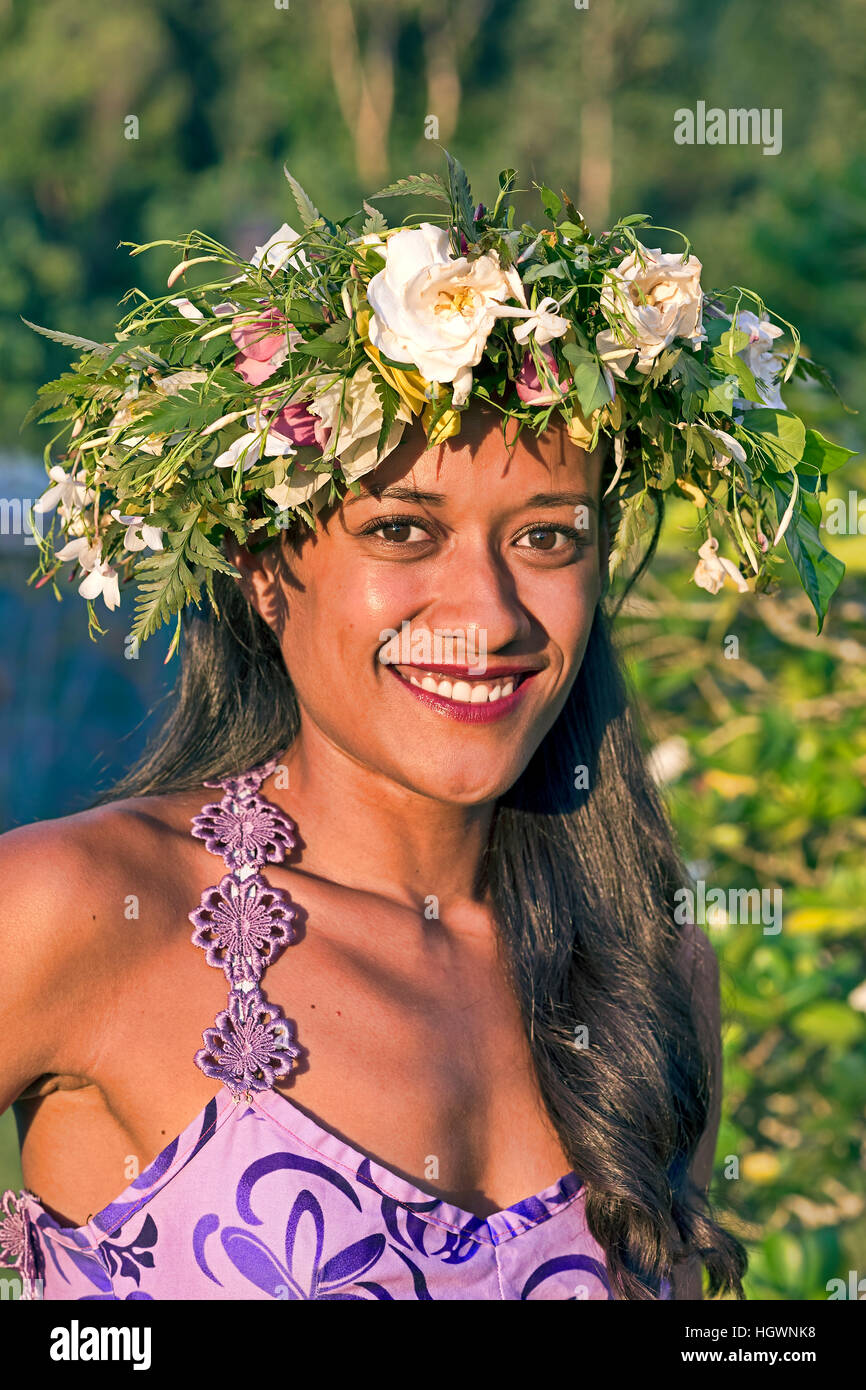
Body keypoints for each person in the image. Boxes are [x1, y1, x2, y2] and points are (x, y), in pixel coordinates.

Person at [0, 153, 848, 1299]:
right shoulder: (78, 907)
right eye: (401, 530)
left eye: (546, 538)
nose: (487, 613)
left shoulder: (647, 968)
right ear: (262, 564)